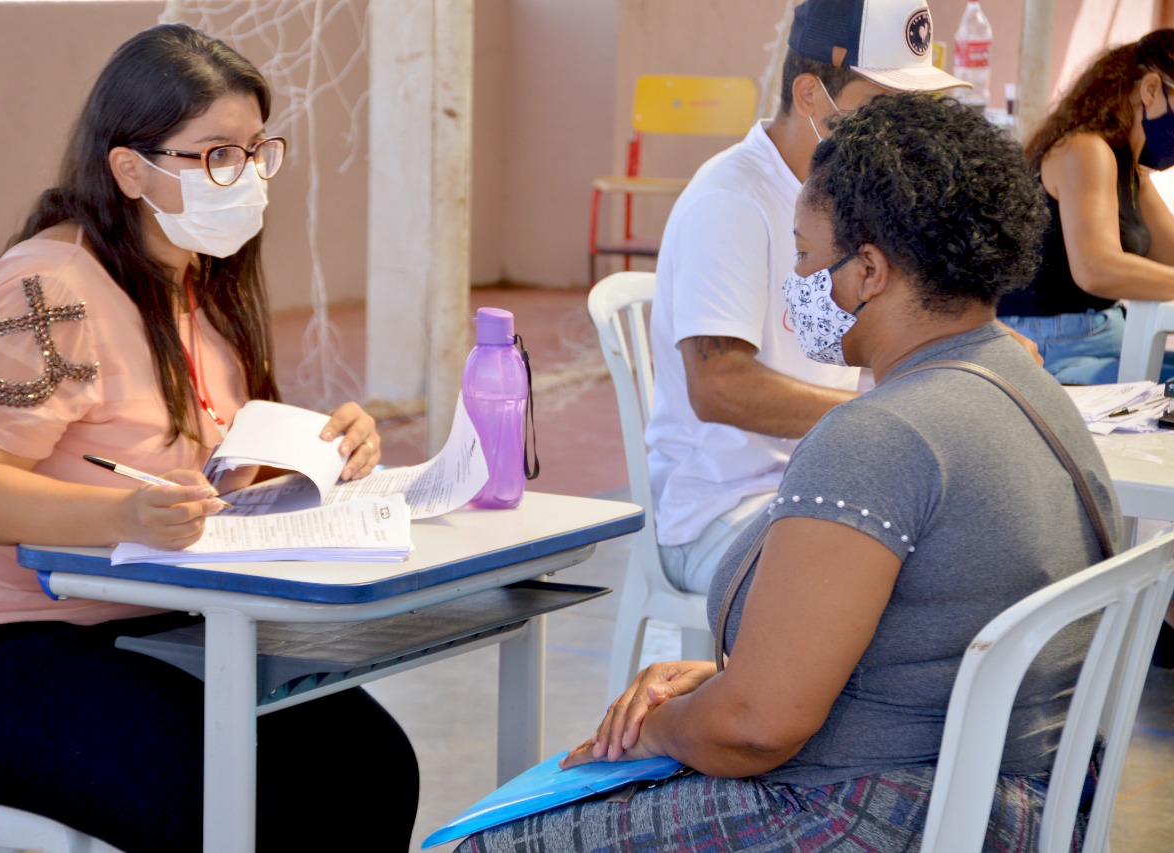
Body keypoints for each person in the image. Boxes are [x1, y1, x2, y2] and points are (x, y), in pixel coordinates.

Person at [459, 93, 1118, 852]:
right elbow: (918, 633)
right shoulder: (1031, 387)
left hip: (886, 812)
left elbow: (754, 730)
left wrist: (658, 727)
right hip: (1022, 801)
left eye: (806, 257)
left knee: (495, 843)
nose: (797, 280)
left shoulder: (877, 437)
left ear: (869, 269)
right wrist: (721, 678)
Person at [0, 24, 417, 852]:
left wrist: (316, 450)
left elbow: (203, 468)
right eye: (214, 154)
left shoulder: (198, 278)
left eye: (255, 150)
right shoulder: (47, 291)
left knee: (368, 763)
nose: (242, 176)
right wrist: (128, 515)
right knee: (235, 806)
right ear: (130, 168)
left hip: (154, 621)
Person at [647, 0, 979, 595]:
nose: (896, 132)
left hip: (831, 480)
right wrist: (883, 425)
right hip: (729, 508)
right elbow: (718, 385)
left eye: (910, 110)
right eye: (879, 108)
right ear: (809, 95)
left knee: (978, 553)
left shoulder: (858, 194)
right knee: (916, 593)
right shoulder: (732, 199)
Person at [998, 29, 1174, 385]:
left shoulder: (1130, 168)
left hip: (1106, 337)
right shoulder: (1084, 149)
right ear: (1151, 89)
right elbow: (1096, 269)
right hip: (1055, 348)